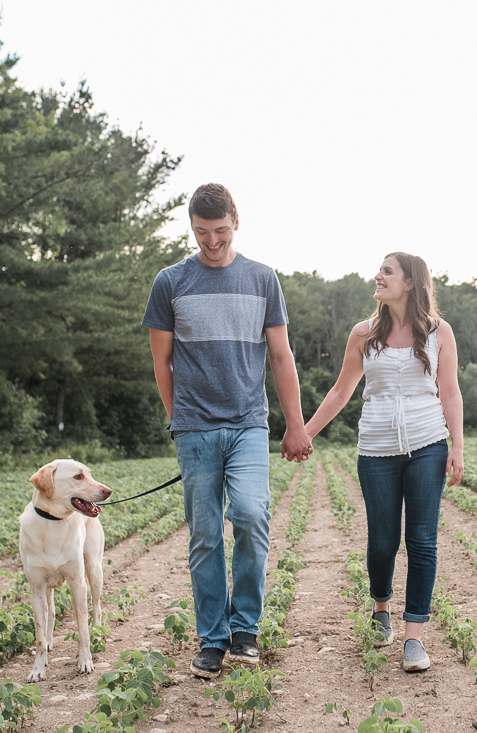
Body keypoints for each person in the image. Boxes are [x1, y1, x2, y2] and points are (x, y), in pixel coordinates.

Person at [143, 183, 312, 679]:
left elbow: (281, 356)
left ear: (236, 222)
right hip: (194, 427)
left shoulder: (262, 279)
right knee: (204, 535)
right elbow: (162, 362)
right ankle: (213, 639)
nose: (211, 242)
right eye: (200, 233)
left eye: (219, 231)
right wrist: (178, 420)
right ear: (191, 227)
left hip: (247, 424)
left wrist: (295, 424)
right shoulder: (170, 282)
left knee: (252, 515)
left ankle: (246, 629)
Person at [304, 252, 464, 672]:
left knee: (422, 541)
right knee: (382, 541)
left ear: (410, 282)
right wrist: (305, 432)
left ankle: (414, 637)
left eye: (387, 271)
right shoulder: (363, 333)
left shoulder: (438, 332)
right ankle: (381, 610)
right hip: (375, 450)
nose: (378, 276)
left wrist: (458, 446)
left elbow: (450, 392)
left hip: (428, 445)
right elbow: (341, 392)